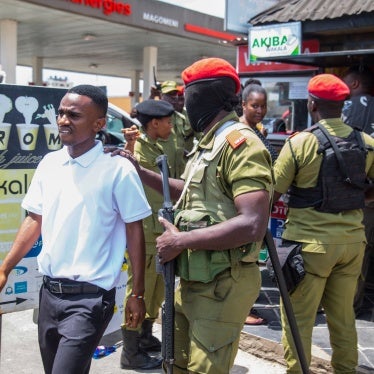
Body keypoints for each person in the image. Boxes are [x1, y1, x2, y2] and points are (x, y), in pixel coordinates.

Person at [114, 57, 273, 374]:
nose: (182, 107)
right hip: (192, 279)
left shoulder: (240, 145)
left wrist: (181, 240)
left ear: (206, 97)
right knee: (177, 367)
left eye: (188, 97)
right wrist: (140, 172)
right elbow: (188, 190)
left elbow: (253, 223)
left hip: (221, 285)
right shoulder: (209, 143)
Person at [0, 85, 151, 374]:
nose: (63, 120)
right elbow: (34, 220)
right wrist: (5, 269)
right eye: (60, 113)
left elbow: (135, 231)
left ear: (99, 124)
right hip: (49, 295)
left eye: (74, 115)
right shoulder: (50, 163)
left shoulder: (117, 169)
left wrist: (138, 293)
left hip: (90, 299)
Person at [272, 74, 374, 373]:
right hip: (353, 245)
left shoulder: (300, 144)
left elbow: (272, 193)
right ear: (343, 105)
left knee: (298, 319)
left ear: (311, 103)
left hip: (309, 247)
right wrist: (360, 199)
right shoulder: (366, 143)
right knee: (343, 318)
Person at [120, 99, 175, 370]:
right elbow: (127, 172)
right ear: (154, 123)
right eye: (168, 121)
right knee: (138, 290)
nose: (172, 125)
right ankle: (130, 352)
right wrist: (129, 145)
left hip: (160, 230)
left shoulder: (162, 145)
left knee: (156, 292)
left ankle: (144, 338)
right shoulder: (136, 149)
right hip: (143, 233)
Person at [342, 65, 374, 315]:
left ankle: (342, 305)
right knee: (363, 250)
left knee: (350, 251)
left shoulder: (350, 106)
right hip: (370, 195)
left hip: (352, 194)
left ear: (353, 85)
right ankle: (353, 304)